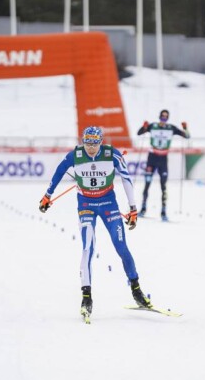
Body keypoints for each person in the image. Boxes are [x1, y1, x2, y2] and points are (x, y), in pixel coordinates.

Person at [38, 126, 152, 321]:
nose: (91, 147)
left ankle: (136, 291)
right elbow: (58, 173)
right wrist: (47, 196)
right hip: (86, 205)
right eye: (87, 143)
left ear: (101, 142)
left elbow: (126, 178)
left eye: (95, 143)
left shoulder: (111, 154)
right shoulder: (75, 155)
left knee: (121, 247)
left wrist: (133, 208)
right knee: (87, 248)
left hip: (109, 204)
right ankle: (86, 298)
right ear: (83, 141)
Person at [136, 109, 189, 221]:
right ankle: (143, 209)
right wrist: (144, 127)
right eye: (162, 116)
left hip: (163, 159)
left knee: (163, 186)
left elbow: (187, 136)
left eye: (166, 117)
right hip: (152, 158)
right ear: (159, 116)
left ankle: (163, 212)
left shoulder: (171, 128)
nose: (164, 118)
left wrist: (185, 128)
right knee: (147, 183)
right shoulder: (153, 126)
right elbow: (139, 133)